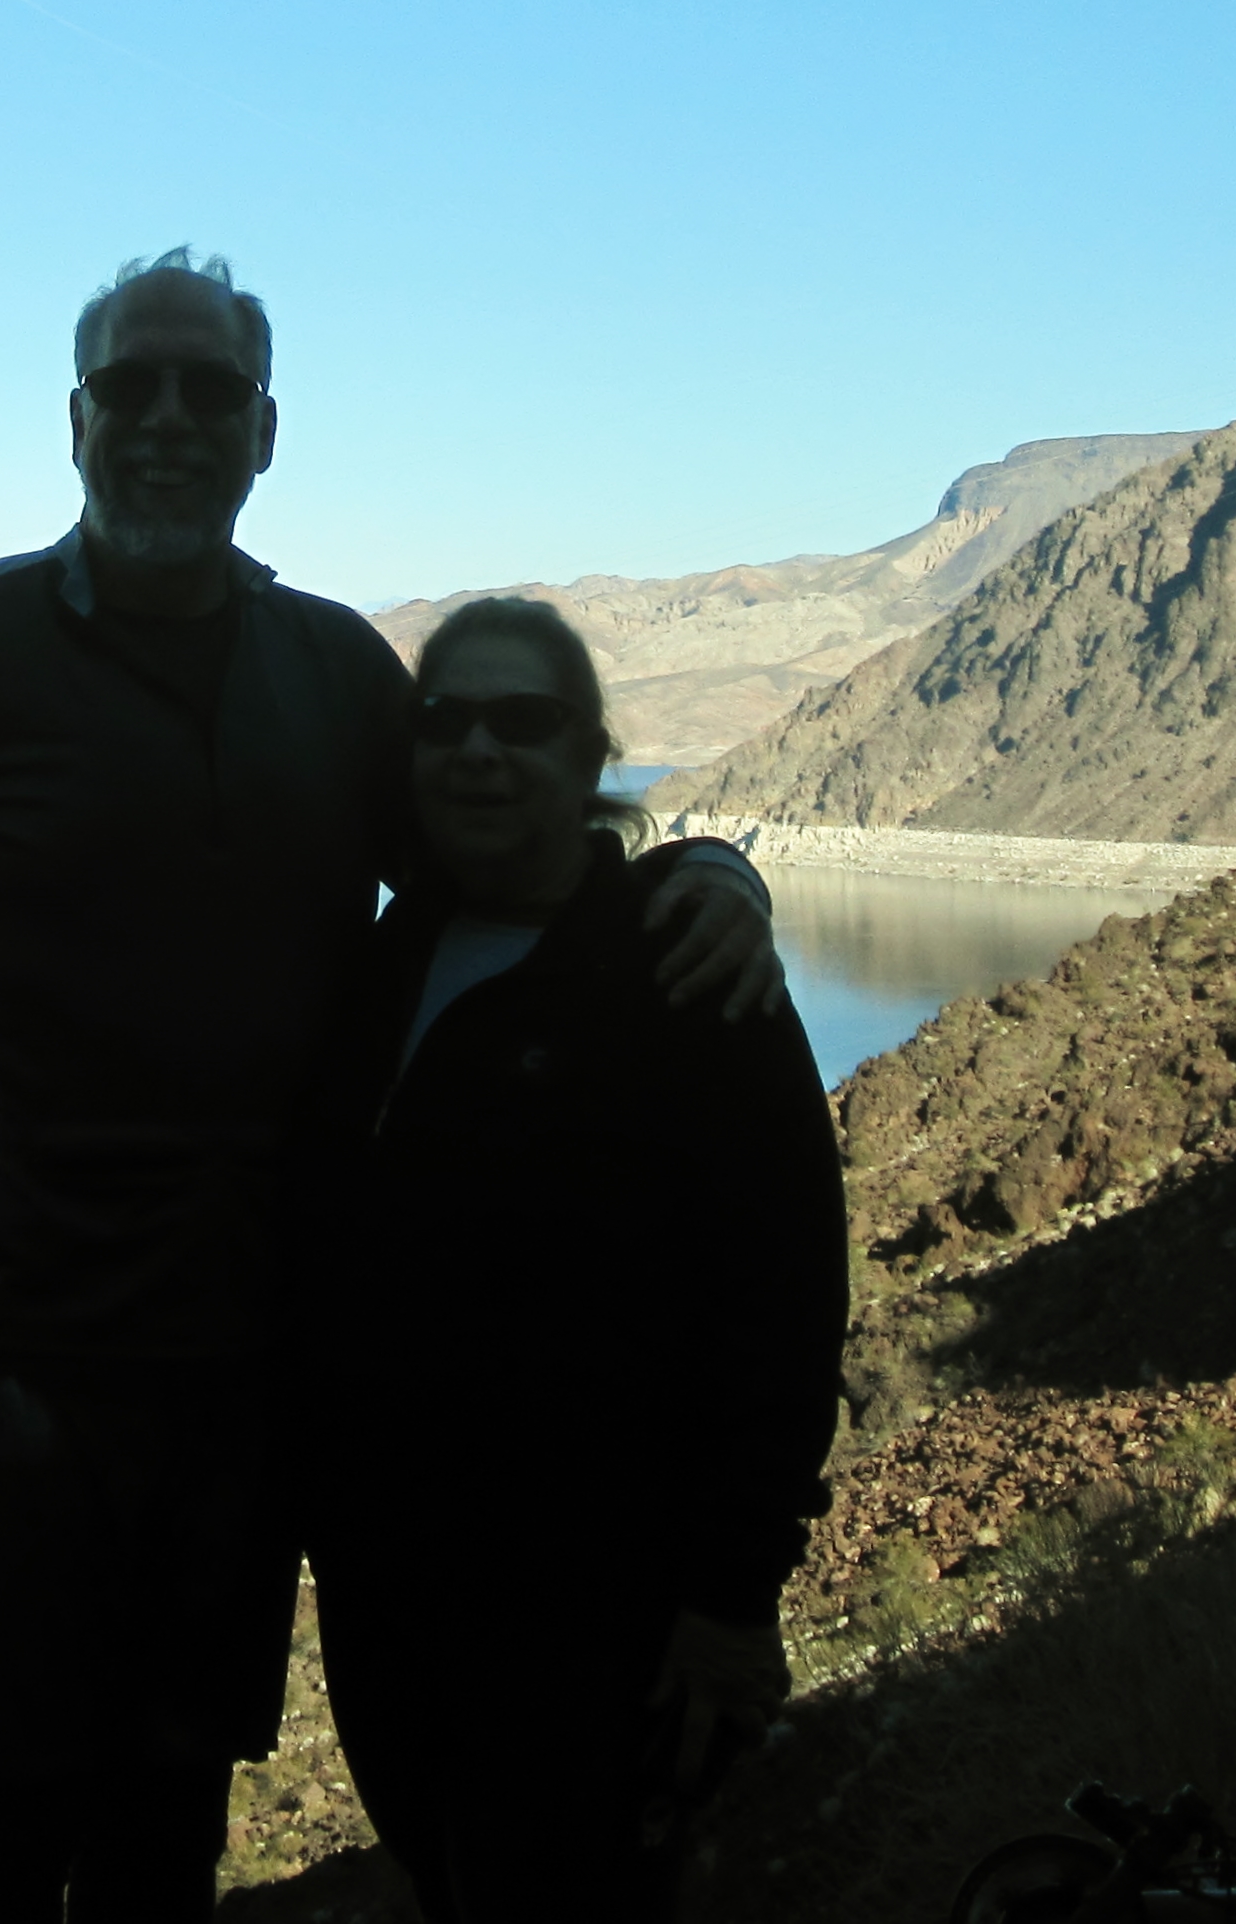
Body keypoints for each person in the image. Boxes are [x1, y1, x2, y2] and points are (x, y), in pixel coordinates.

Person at [0, 251, 781, 1924]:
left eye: (211, 391)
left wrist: (711, 873)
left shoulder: (335, 680)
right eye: (134, 386)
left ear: (266, 432)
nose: (169, 421)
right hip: (0, 1376)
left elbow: (511, 854)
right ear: (76, 422)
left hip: (246, 1385)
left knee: (162, 1845)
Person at [301, 595, 847, 1924]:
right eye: (445, 721)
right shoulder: (378, 966)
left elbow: (781, 1300)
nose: (478, 751)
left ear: (589, 752)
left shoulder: (681, 975)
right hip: (389, 1599)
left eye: (522, 721)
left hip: (600, 1615)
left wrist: (729, 1595)